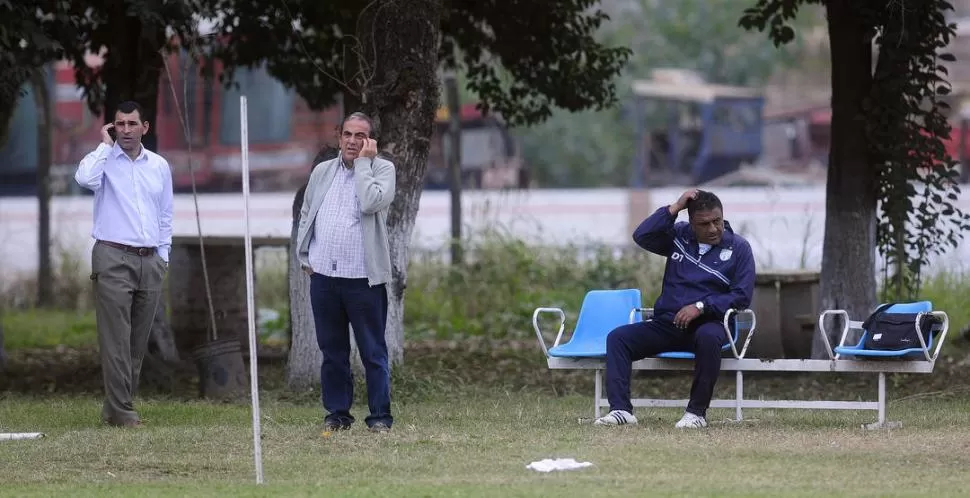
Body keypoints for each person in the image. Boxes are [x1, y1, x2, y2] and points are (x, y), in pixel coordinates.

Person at [594, 189, 755, 429]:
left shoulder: (739, 248)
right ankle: (621, 410)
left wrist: (701, 306)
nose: (713, 229)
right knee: (618, 338)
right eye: (704, 224)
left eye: (717, 221)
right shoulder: (678, 236)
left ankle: (696, 414)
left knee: (709, 337)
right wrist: (674, 207)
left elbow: (742, 296)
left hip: (710, 324)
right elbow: (642, 235)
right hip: (668, 324)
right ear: (691, 223)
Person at [296, 112, 396, 433]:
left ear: (371, 141)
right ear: (340, 137)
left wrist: (365, 164)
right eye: (348, 135)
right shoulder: (323, 171)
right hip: (323, 277)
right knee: (332, 352)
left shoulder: (383, 170)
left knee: (372, 352)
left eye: (361, 136)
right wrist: (305, 257)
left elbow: (369, 203)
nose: (353, 141)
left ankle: (379, 416)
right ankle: (338, 414)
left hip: (363, 280)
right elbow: (307, 212)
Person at [75, 100, 173, 428]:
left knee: (136, 342)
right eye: (120, 124)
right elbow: (84, 179)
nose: (126, 130)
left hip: (150, 260)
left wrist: (164, 255)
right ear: (112, 127)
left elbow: (165, 214)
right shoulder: (103, 162)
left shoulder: (158, 165)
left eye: (133, 124)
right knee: (116, 337)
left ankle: (114, 408)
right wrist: (105, 148)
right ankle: (123, 411)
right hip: (113, 257)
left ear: (145, 127)